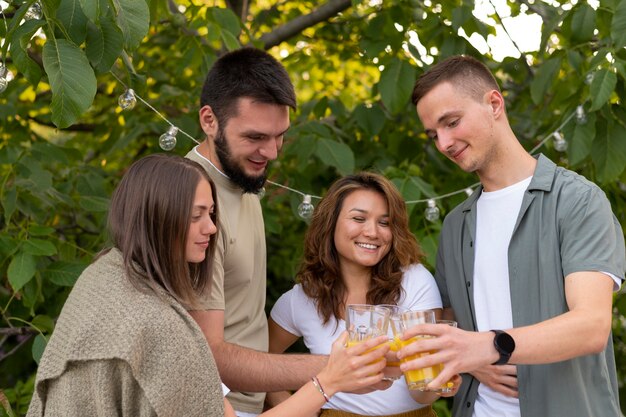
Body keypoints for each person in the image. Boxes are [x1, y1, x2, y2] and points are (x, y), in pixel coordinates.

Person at [26, 154, 392, 417]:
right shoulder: (161, 327)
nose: (212, 228)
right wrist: (329, 381)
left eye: (212, 214)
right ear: (159, 217)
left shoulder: (105, 275)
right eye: (197, 215)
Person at [397, 55, 625, 417]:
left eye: (451, 122)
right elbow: (453, 328)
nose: (443, 143)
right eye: (433, 134)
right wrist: (471, 359)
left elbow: (591, 327)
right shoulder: (456, 224)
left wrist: (489, 346)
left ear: (494, 104)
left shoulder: (577, 201)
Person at [185, 47, 332, 417]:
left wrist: (276, 396)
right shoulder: (190, 203)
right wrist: (334, 368)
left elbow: (242, 319)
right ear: (209, 120)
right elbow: (208, 354)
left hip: (256, 401)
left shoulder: (242, 176)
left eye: (279, 135)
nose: (272, 152)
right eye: (255, 137)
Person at [269, 172, 461, 417]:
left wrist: (435, 386)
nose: (372, 232)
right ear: (330, 222)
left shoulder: (414, 280)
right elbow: (264, 363)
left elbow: (421, 389)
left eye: (384, 222)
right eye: (359, 218)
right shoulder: (301, 299)